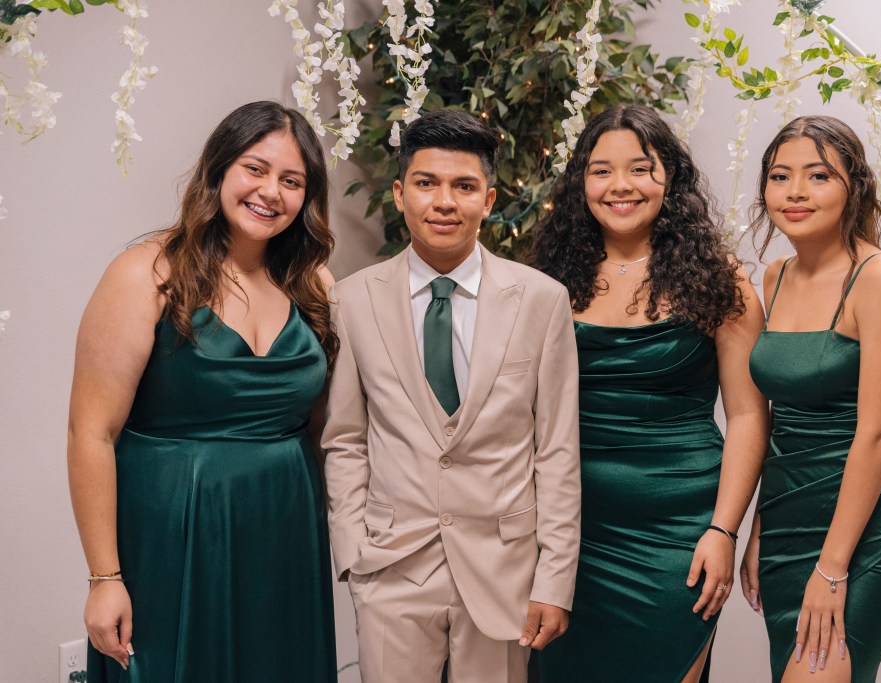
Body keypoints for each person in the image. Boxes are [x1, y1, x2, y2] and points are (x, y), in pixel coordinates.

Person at [68, 101, 339, 682]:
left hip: (285, 530)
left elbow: (324, 426)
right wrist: (104, 578)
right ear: (218, 168)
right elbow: (91, 433)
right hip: (173, 532)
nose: (271, 192)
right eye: (255, 169)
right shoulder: (146, 273)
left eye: (292, 181)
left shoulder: (314, 285)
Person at [321, 109, 581, 683]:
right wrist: (354, 552)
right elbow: (345, 439)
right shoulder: (352, 300)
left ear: (488, 201)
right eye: (426, 183)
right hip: (391, 566)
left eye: (464, 186)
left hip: (504, 569)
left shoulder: (542, 300)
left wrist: (554, 579)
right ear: (400, 194)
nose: (444, 202)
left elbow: (557, 451)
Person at [531, 104, 769, 682]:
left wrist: (724, 530)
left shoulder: (719, 279)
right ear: (581, 181)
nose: (621, 185)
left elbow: (747, 415)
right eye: (601, 170)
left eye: (640, 168)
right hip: (569, 535)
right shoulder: (548, 278)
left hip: (679, 531)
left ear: (670, 177)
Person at [740, 115, 881, 683]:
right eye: (780, 176)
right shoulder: (774, 277)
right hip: (785, 522)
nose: (795, 191)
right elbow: (777, 422)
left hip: (862, 536)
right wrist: (760, 529)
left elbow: (877, 433)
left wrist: (833, 566)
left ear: (853, 187)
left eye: (818, 175)